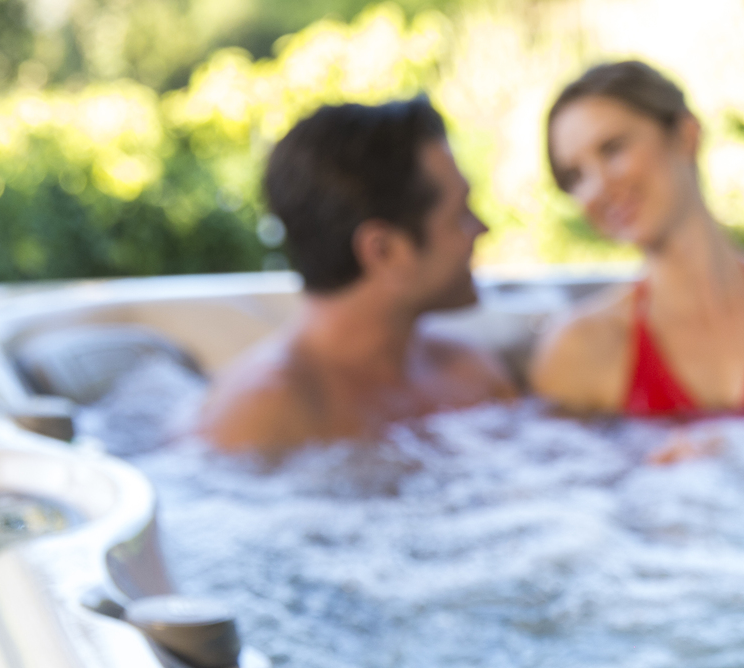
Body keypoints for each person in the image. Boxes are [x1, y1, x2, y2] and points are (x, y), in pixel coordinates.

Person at [529, 61, 744, 418]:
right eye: (575, 176)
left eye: (613, 149)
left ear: (686, 135)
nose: (598, 187)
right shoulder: (578, 349)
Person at [196, 97, 513, 458]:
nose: (482, 228)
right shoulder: (253, 420)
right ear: (383, 251)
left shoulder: (472, 374)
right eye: (460, 215)